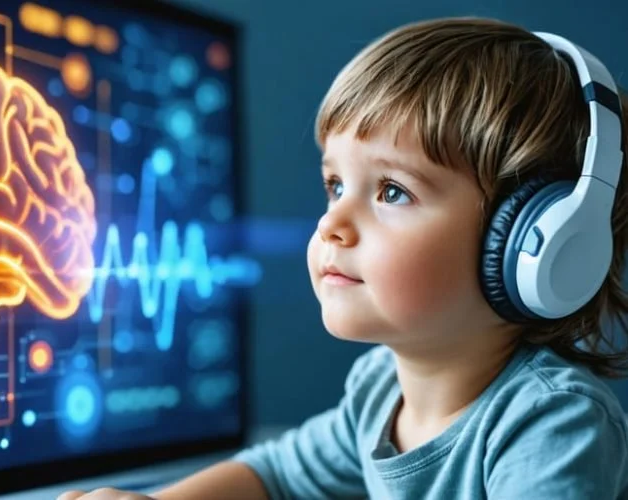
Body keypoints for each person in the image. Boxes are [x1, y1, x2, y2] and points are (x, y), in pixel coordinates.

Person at [58, 16, 628, 499]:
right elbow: (276, 473)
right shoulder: (379, 387)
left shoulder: (553, 424)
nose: (332, 224)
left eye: (392, 192)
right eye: (335, 185)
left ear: (534, 240)